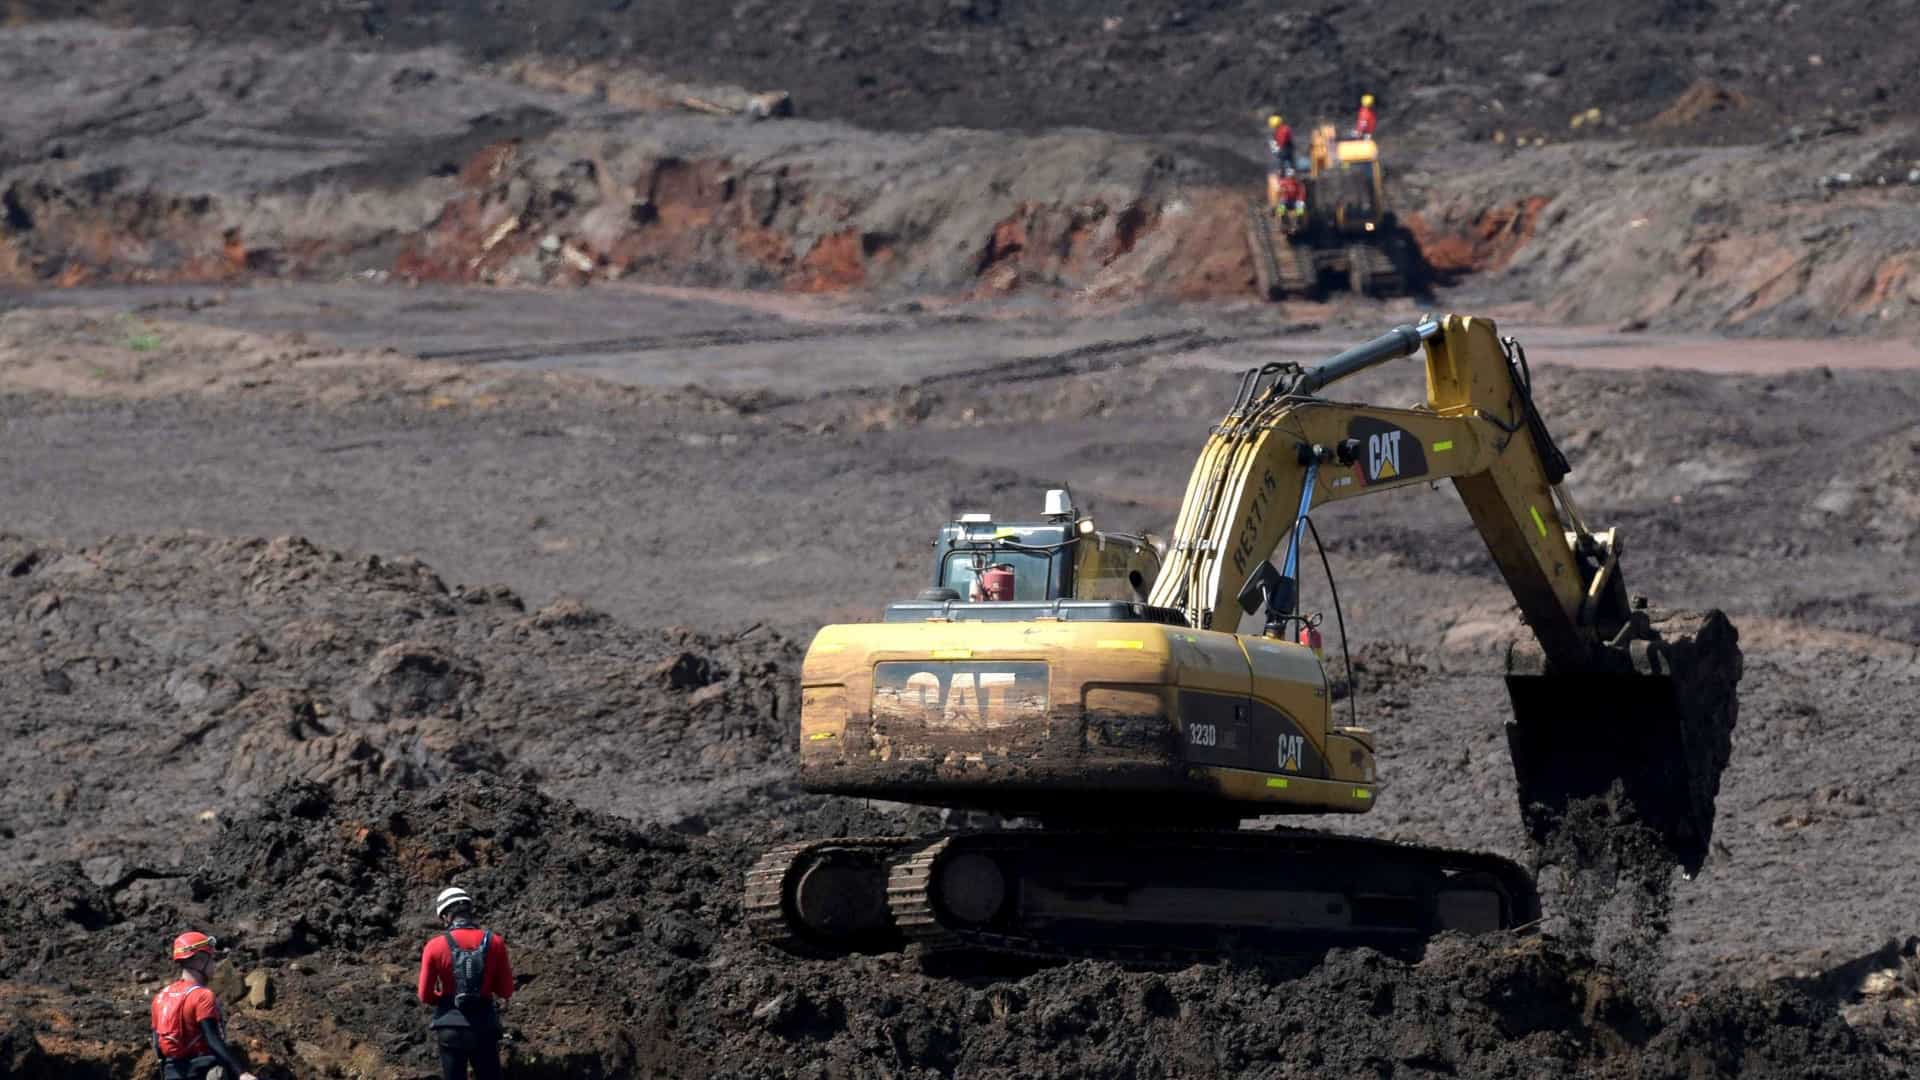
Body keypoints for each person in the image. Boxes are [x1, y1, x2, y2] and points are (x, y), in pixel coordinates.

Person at [418, 886, 514, 1080]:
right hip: (484, 1027)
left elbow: (425, 995)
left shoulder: (434, 946)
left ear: (445, 916)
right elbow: (506, 990)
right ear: (470, 911)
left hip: (450, 1029)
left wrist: (444, 997)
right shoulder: (495, 942)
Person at [149, 931, 259, 1080]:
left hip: (171, 1072)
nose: (214, 965)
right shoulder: (202, 996)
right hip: (201, 1071)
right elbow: (213, 1040)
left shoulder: (160, 997)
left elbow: (157, 1045)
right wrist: (241, 1073)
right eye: (211, 959)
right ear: (200, 960)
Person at [1265, 113, 1295, 208]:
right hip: (1283, 156)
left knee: (1286, 166)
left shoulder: (1283, 131)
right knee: (1285, 165)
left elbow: (1281, 144)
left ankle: (1284, 174)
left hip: (1285, 155)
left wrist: (1278, 149)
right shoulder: (1280, 131)